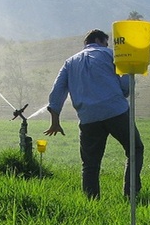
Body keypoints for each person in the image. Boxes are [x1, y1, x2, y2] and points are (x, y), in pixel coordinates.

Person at [44, 29, 144, 199]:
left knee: (90, 164)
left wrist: (55, 121)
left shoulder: (70, 62)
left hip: (88, 118)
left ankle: (92, 200)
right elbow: (126, 83)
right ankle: (130, 194)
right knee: (135, 148)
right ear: (99, 40)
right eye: (106, 42)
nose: (107, 45)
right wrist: (122, 93)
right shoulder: (109, 54)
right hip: (116, 111)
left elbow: (57, 92)